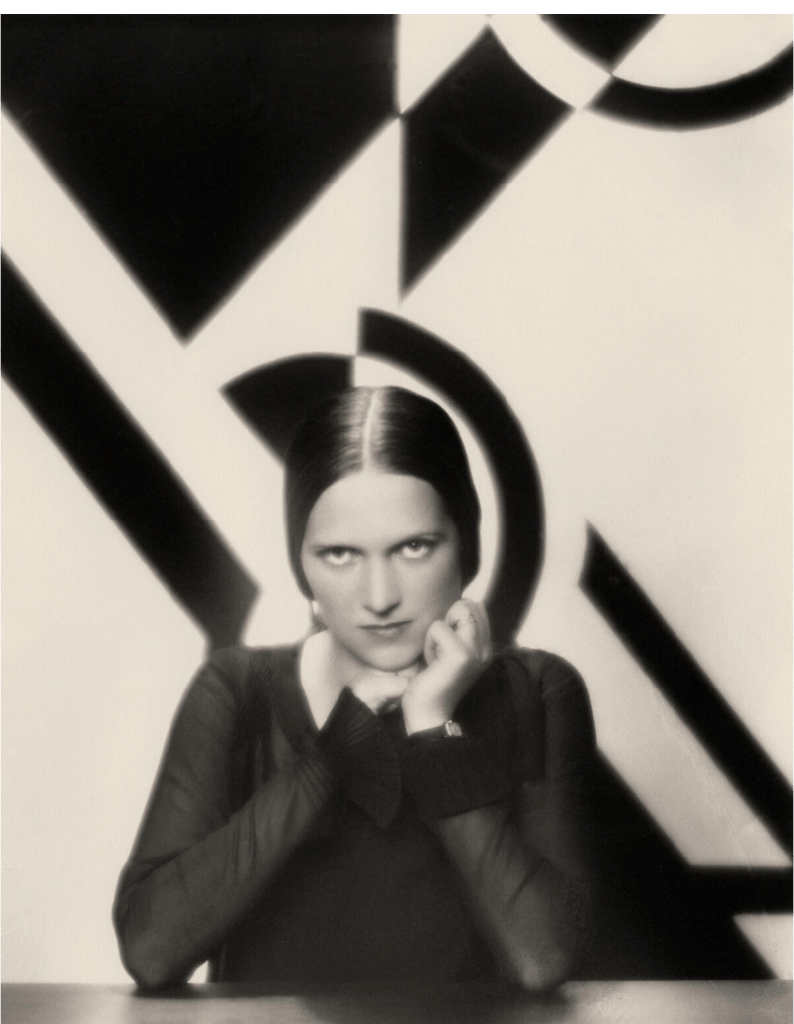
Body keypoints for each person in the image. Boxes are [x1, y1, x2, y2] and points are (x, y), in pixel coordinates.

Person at [113, 385, 596, 991]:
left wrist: (434, 726)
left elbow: (544, 958)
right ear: (302, 565)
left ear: (466, 548)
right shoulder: (237, 694)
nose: (379, 596)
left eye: (414, 547)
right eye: (340, 554)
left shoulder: (540, 693)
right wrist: (329, 754)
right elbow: (150, 951)